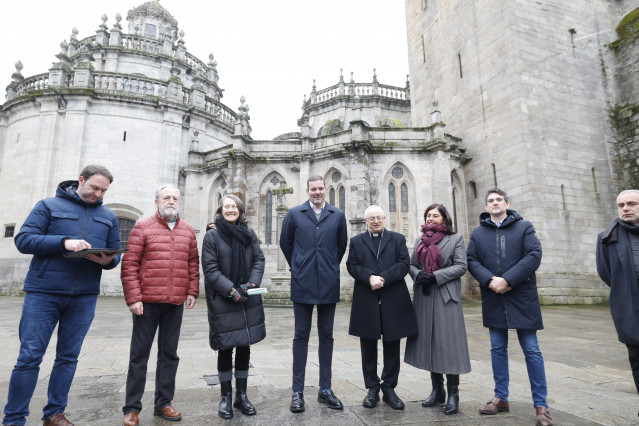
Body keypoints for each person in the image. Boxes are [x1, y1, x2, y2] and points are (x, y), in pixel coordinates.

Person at [3, 165, 121, 426]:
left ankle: (54, 414)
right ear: (81, 180)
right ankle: (13, 419)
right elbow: (23, 240)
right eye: (94, 188)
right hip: (44, 293)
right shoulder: (48, 206)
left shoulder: (109, 216)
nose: (98, 194)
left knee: (68, 357)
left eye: (103, 190)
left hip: (84, 296)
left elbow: (114, 258)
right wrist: (63, 242)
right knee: (29, 357)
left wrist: (107, 261)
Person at [467, 188, 553, 426]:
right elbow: (471, 259)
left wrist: (508, 279)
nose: (494, 203)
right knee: (497, 349)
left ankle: (541, 405)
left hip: (522, 297)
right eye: (490, 201)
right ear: (486, 207)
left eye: (498, 200)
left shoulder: (524, 227)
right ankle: (501, 398)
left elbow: (534, 254)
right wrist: (490, 280)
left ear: (507, 203)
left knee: (532, 350)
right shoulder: (478, 233)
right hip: (493, 297)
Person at [120, 184, 199, 426]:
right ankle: (132, 408)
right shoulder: (142, 228)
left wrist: (192, 290)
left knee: (169, 355)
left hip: (174, 302)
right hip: (147, 303)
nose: (171, 201)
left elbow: (193, 264)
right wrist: (133, 298)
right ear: (157, 202)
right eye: (166, 198)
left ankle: (163, 403)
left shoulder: (187, 230)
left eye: (175, 198)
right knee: (139, 355)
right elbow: (129, 265)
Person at [279, 175, 348, 413]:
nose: (317, 192)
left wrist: (328, 265)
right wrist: (298, 265)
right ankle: (297, 391)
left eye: (320, 189)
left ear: (325, 191)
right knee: (301, 335)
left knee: (326, 335)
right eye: (313, 189)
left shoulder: (337, 215)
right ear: (307, 191)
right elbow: (285, 244)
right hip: (303, 283)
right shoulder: (295, 214)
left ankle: (325, 389)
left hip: (328, 283)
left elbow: (341, 246)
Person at [201, 195, 266, 419]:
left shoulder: (249, 233)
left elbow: (259, 259)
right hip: (223, 299)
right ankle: (226, 397)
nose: (231, 210)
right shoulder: (212, 235)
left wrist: (251, 284)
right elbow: (210, 269)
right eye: (226, 206)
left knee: (244, 345)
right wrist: (231, 290)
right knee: (226, 347)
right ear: (221, 210)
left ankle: (242, 396)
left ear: (240, 210)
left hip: (247, 297)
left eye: (234, 207)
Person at [346, 205, 417, 410]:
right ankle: (371, 388)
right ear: (365, 221)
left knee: (392, 343)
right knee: (368, 344)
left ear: (385, 219)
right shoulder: (356, 241)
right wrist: (369, 277)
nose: (376, 221)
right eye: (372, 218)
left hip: (392, 295)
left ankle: (389, 388)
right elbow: (352, 265)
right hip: (366, 296)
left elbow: (404, 263)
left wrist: (383, 278)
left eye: (379, 217)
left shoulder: (397, 239)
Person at [404, 203, 471, 415]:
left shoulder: (455, 239)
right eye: (428, 215)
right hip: (424, 296)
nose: (431, 218)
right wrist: (417, 275)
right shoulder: (420, 240)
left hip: (445, 296)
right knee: (430, 342)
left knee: (448, 344)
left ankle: (453, 394)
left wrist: (436, 276)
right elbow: (411, 263)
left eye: (435, 215)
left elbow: (462, 266)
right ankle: (437, 390)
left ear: (444, 219)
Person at [596, 189, 639, 400]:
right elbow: (606, 273)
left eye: (631, 203)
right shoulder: (606, 238)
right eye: (621, 205)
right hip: (631, 309)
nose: (626, 208)